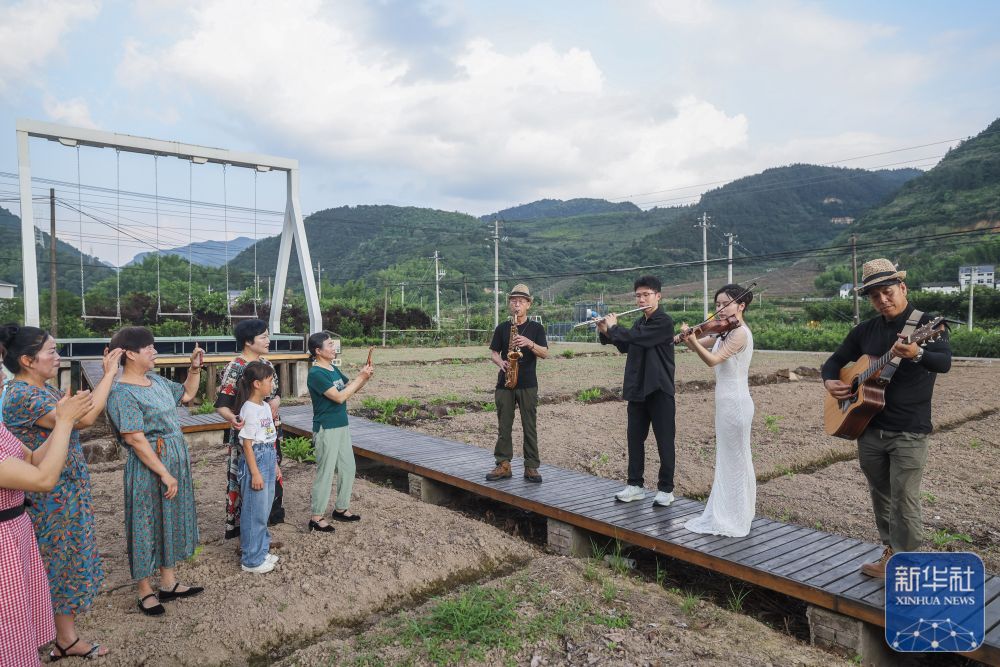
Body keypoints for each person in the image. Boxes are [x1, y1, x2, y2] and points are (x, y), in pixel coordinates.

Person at [822, 259, 951, 578]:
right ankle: (891, 551)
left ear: (903, 288)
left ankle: (906, 564)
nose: (882, 299)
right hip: (869, 427)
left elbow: (943, 362)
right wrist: (831, 381)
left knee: (904, 498)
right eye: (875, 295)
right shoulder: (865, 330)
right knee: (881, 494)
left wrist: (917, 354)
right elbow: (834, 361)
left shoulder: (928, 324)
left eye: (888, 291)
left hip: (909, 429)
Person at [0, 324, 122, 660]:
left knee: (65, 563)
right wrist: (109, 374)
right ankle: (57, 639)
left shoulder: (44, 390)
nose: (58, 357)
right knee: (57, 566)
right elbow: (84, 419)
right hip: (48, 499)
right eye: (51, 351)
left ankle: (63, 637)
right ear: (27, 359)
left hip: (63, 492)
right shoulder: (24, 395)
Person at [105, 327, 205, 616]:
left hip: (173, 458)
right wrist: (163, 472)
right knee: (145, 522)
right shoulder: (122, 392)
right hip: (149, 464)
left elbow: (186, 394)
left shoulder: (156, 382)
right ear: (130, 354)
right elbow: (135, 438)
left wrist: (194, 368)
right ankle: (145, 590)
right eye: (148, 348)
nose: (154, 351)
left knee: (169, 518)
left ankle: (169, 582)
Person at [680, 284, 756, 537]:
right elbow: (697, 345)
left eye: (725, 304)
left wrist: (693, 340)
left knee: (735, 458)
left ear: (741, 306)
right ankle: (732, 512)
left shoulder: (739, 334)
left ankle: (735, 517)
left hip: (735, 401)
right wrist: (688, 338)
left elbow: (712, 360)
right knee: (728, 458)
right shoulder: (724, 332)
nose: (719, 310)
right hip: (726, 401)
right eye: (716, 304)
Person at [597, 276, 677, 506]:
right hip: (638, 389)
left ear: (658, 296)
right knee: (634, 439)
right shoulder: (640, 322)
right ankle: (635, 485)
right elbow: (626, 345)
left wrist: (614, 327)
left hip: (659, 389)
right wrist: (605, 331)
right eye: (638, 296)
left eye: (646, 295)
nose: (641, 299)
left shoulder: (664, 322)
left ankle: (666, 489)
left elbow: (638, 339)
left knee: (664, 441)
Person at [215, 319, 284, 542]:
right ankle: (248, 539)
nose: (268, 340)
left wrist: (277, 402)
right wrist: (233, 419)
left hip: (270, 433)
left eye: (267, 336)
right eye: (263, 337)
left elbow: (276, 394)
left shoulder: (266, 364)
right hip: (248, 437)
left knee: (269, 482)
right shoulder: (235, 366)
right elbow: (222, 404)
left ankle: (262, 533)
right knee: (249, 483)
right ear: (248, 341)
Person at [306, 333, 373, 532]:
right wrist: (360, 377)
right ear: (318, 351)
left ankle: (341, 509)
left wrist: (365, 377)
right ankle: (316, 517)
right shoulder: (316, 374)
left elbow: (347, 389)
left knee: (348, 468)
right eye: (329, 345)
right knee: (325, 472)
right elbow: (338, 397)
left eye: (333, 344)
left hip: (341, 425)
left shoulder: (332, 368)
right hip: (326, 427)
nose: (334, 348)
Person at [485, 283, 549, 483]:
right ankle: (503, 464)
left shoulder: (536, 328)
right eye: (513, 301)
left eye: (521, 302)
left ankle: (531, 466)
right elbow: (494, 352)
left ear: (528, 305)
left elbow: (545, 353)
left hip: (528, 383)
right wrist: (501, 362)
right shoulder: (503, 328)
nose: (516, 305)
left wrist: (528, 343)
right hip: (505, 382)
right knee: (504, 425)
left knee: (529, 425)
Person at [234, 361, 280, 574]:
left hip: (268, 457)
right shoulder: (249, 409)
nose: (272, 385)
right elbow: (247, 444)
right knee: (254, 511)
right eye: (269, 381)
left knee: (264, 508)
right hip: (257, 460)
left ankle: (261, 550)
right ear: (256, 384)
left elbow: (269, 438)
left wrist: (275, 466)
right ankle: (251, 560)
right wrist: (255, 472)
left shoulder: (263, 406)